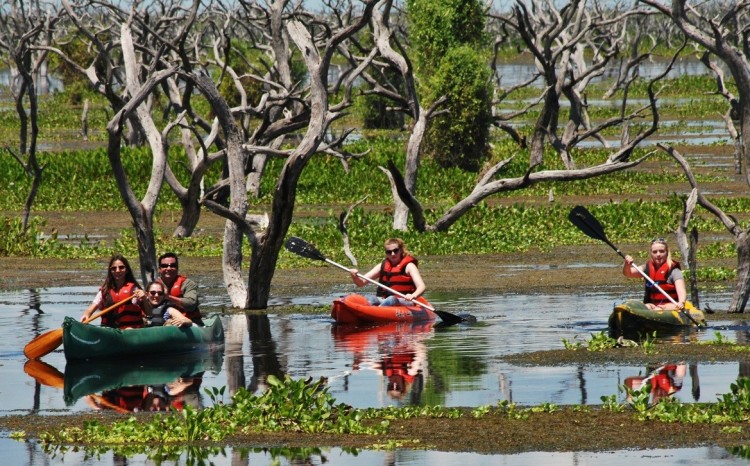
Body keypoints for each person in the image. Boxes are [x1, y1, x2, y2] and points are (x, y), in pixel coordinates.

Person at [349, 238, 426, 306]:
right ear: (386, 253)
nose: (392, 254)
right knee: (370, 298)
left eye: (395, 251)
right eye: (389, 252)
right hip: (384, 300)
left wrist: (413, 295)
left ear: (401, 250)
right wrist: (354, 276)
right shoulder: (382, 266)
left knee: (391, 299)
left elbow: (421, 286)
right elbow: (361, 282)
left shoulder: (409, 266)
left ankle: (377, 311)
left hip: (405, 300)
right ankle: (370, 311)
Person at [81, 255, 146, 329]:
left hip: (131, 331)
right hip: (110, 331)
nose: (117, 270)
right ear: (110, 271)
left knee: (129, 329)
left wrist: (144, 298)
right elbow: (90, 309)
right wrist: (86, 315)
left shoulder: (135, 290)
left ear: (127, 270)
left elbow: (149, 312)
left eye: (121, 267)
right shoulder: (104, 291)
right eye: (114, 268)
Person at [623, 237, 687, 311]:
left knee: (657, 309)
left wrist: (681, 302)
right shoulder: (646, 268)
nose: (658, 254)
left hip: (671, 305)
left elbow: (681, 291)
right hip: (653, 305)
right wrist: (627, 264)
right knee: (647, 307)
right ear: (651, 253)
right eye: (655, 252)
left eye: (662, 251)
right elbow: (628, 273)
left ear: (667, 253)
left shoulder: (674, 271)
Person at [157, 252, 203, 326]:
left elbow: (191, 304)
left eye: (173, 265)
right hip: (165, 323)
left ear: (177, 268)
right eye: (164, 266)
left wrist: (168, 297)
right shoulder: (154, 286)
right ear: (159, 269)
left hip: (190, 322)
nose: (168, 268)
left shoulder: (188, 283)